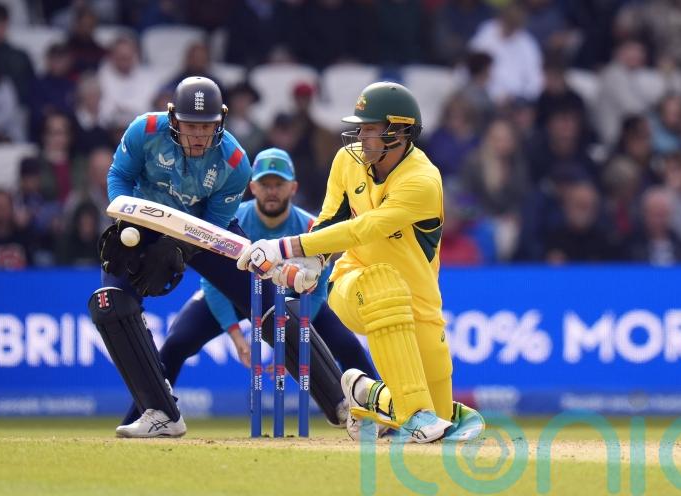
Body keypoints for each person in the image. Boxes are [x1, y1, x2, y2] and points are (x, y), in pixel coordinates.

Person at [92, 76, 364, 438]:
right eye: (191, 126)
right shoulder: (145, 130)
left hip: (206, 229)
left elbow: (213, 226)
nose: (199, 136)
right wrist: (128, 222)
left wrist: (176, 247)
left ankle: (338, 402)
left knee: (272, 306)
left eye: (207, 127)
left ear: (220, 121)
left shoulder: (235, 162)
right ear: (174, 117)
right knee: (111, 304)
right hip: (144, 223)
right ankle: (160, 413)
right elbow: (119, 178)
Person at [237, 82, 485, 443]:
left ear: (398, 131)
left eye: (369, 129)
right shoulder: (346, 161)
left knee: (442, 414)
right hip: (354, 283)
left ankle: (365, 393)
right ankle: (414, 415)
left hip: (419, 301)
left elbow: (364, 228)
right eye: (361, 128)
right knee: (382, 284)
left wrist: (285, 248)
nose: (360, 136)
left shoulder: (422, 180)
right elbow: (332, 218)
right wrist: (314, 260)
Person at [119, 148, 377, 428]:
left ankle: (380, 409)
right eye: (265, 185)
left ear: (293, 187)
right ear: (252, 187)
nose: (272, 192)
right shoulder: (235, 217)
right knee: (176, 344)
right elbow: (213, 280)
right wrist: (237, 337)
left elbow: (315, 292)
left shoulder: (311, 226)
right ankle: (148, 415)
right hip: (230, 294)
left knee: (347, 344)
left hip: (288, 299)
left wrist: (292, 336)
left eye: (278, 185)